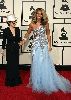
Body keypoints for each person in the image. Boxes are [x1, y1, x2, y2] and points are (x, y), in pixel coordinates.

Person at [22, 8, 71, 94]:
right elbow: (27, 33)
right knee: (36, 63)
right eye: (38, 14)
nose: (39, 16)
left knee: (44, 63)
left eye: (41, 14)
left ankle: (46, 81)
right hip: (36, 47)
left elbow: (48, 34)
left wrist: (50, 45)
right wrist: (23, 40)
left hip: (43, 46)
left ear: (42, 15)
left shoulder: (46, 24)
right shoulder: (32, 24)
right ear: (35, 14)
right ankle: (37, 82)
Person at [1, 14, 22, 87]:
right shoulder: (6, 30)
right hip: (9, 49)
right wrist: (2, 50)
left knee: (16, 64)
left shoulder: (17, 29)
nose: (15, 23)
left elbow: (19, 39)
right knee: (10, 65)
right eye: (13, 22)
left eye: (15, 22)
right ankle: (10, 81)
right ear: (9, 22)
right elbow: (4, 41)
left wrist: (23, 40)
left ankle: (16, 80)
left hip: (16, 48)